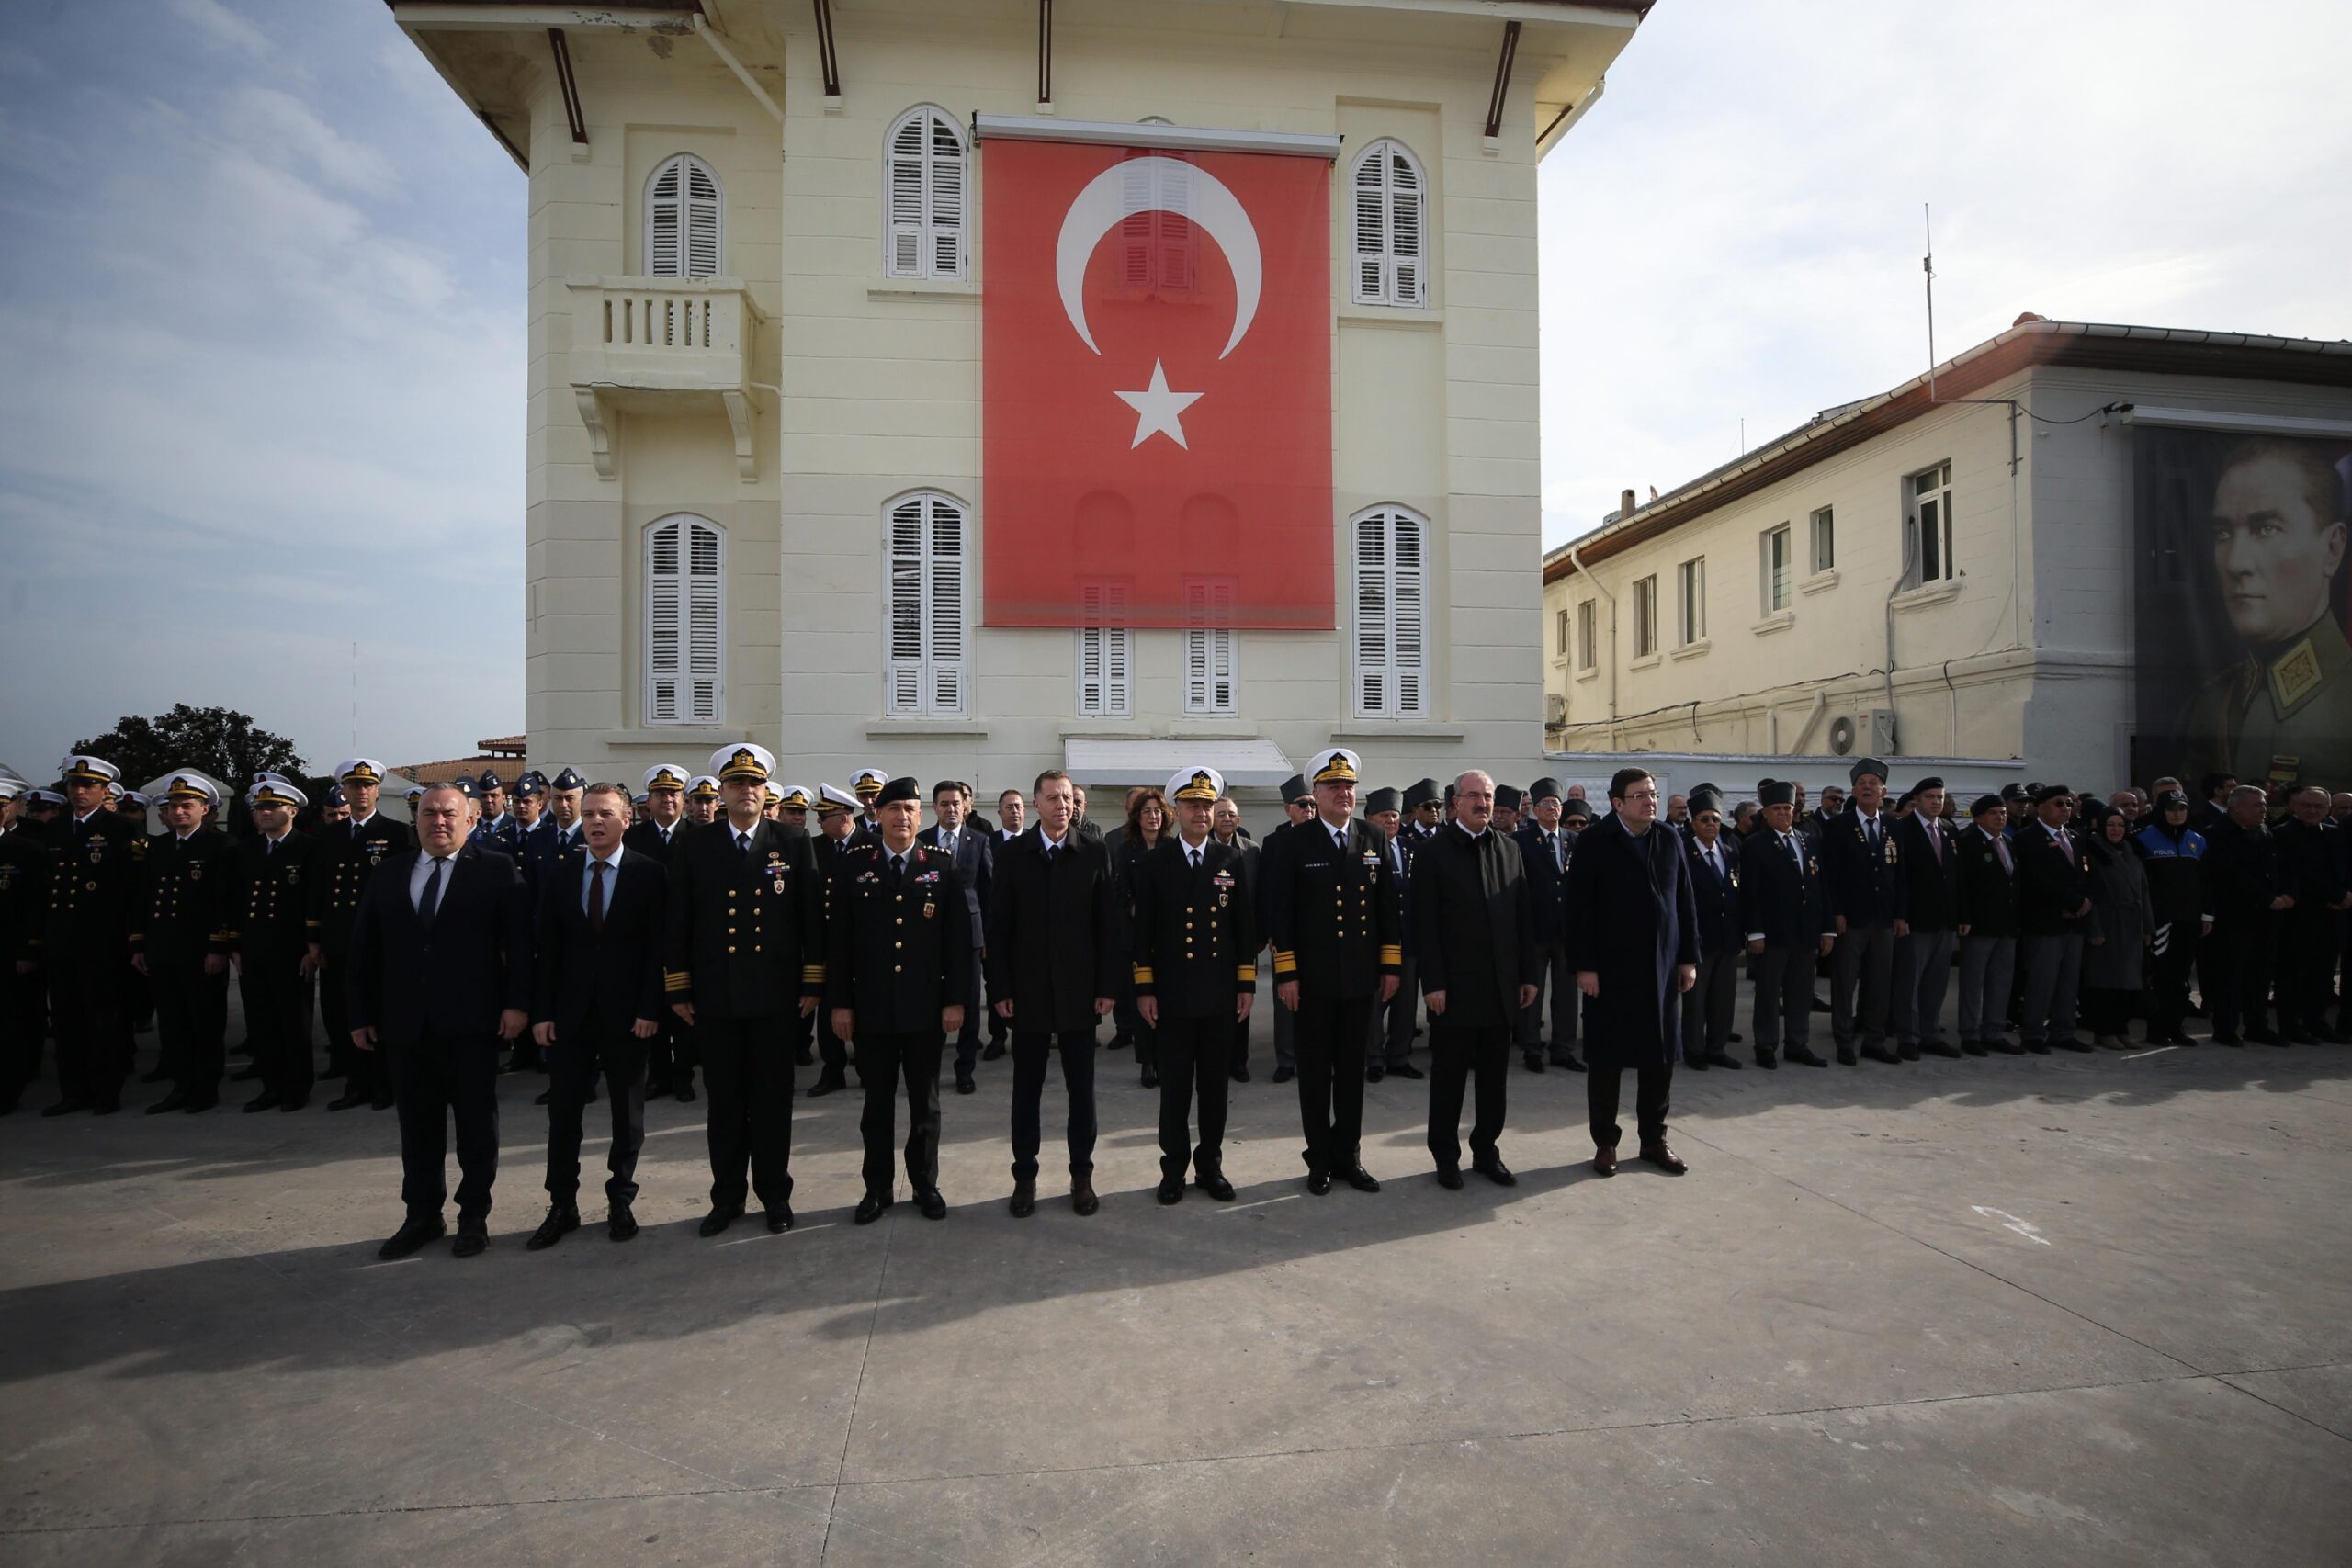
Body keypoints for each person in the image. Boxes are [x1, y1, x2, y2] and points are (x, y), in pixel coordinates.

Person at [347, 782, 532, 1259]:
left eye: (449, 813)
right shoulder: (389, 873)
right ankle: (422, 1215)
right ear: (416, 820)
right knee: (418, 1128)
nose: (439, 822)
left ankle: (474, 1216)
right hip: (405, 1024)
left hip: (472, 1022)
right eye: (428, 813)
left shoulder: (495, 869)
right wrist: (361, 1014)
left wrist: (517, 1004)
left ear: (471, 819)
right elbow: (365, 949)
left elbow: (522, 946)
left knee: (475, 1127)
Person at [665, 745, 823, 1236]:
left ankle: (775, 1195)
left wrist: (813, 981)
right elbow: (678, 919)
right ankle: (727, 1198)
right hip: (716, 997)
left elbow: (811, 919)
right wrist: (678, 987)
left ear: (765, 791)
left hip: (775, 997)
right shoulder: (695, 843)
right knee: (726, 1103)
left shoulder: (794, 841)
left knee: (774, 1102)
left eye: (754, 784)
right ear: (722, 792)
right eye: (736, 784)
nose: (746, 791)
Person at [524, 782, 667, 1250]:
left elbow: (655, 951)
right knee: (564, 1114)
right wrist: (542, 1013)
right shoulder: (561, 873)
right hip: (569, 1016)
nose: (595, 822)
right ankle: (561, 1203)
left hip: (628, 1016)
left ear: (628, 819)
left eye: (605, 813)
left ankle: (620, 1198)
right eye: (588, 815)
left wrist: (650, 1008)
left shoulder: (649, 874)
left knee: (628, 1114)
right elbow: (546, 951)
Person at [1265, 748, 1401, 1195]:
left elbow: (1387, 909)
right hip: (1313, 981)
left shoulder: (1373, 838)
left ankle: (1350, 1156)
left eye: (1349, 786)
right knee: (1316, 1072)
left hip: (1361, 979)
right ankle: (1319, 1157)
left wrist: (1390, 966)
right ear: (1316, 793)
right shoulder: (1291, 842)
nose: (1344, 793)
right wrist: (1287, 974)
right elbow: (1280, 914)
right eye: (1334, 786)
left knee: (1351, 1071)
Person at [2183, 440, 2352, 797]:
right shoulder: (2211, 705)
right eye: (2223, 533)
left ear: (2333, 547)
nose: (2235, 563)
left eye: (2267, 528)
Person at [986, 770, 1120, 1217]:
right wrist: (999, 988)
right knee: (1027, 1091)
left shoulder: (1094, 852)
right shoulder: (1011, 855)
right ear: (1036, 804)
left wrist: (1106, 987)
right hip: (1027, 996)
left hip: (1080, 994)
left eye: (1067, 798)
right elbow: (998, 928)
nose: (1062, 805)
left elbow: (1108, 927)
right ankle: (1025, 1178)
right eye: (1052, 798)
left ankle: (1082, 1176)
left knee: (1082, 1092)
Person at [1130, 767, 1255, 1203]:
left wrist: (1246, 986)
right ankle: (1173, 1170)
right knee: (1176, 1089)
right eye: (1192, 805)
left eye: (1207, 804)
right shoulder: (1153, 863)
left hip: (1219, 995)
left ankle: (1211, 1167)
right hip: (1172, 997)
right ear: (1175, 811)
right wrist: (1144, 989)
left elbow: (1243, 929)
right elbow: (1141, 932)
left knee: (1215, 1090)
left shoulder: (1231, 860)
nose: (1201, 812)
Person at [1566, 768, 1698, 1175]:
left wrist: (1688, 958)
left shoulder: (1669, 838)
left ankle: (1653, 1139)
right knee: (1607, 1060)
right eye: (1639, 795)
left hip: (1660, 969)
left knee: (1658, 1059)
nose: (1650, 801)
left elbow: (1685, 902)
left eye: (1653, 794)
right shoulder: (1594, 842)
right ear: (1618, 803)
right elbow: (1577, 911)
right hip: (1610, 971)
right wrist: (1585, 966)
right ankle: (1605, 1142)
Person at [1411, 770, 1537, 1188]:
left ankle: (1486, 1151)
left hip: (1501, 987)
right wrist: (1433, 984)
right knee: (1448, 1080)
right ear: (1455, 803)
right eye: (1474, 796)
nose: (1483, 803)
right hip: (1454, 989)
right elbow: (1424, 926)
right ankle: (1445, 1156)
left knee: (1493, 1080)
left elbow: (1523, 918)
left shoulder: (1510, 849)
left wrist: (1528, 975)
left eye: (1487, 796)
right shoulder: (1432, 853)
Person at [34, 756, 142, 1116]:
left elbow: (132, 892)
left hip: (103, 941)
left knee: (103, 1021)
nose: (79, 791)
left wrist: (133, 939)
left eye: (88, 786)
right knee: (66, 1021)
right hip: (61, 940)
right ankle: (72, 1092)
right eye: (73, 785)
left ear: (104, 790)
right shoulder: (54, 829)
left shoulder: (121, 829)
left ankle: (105, 1092)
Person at [133, 772, 237, 1113]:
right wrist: (140, 945)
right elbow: (143, 898)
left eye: (186, 806)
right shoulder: (158, 847)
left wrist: (217, 947)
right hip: (163, 949)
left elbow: (225, 902)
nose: (178, 812)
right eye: (173, 806)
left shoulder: (221, 846)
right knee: (173, 1024)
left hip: (200, 952)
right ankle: (180, 1086)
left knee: (204, 1022)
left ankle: (204, 1089)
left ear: (205, 809)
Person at [231, 777, 320, 1112]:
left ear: (292, 811)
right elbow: (235, 899)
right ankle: (271, 1086)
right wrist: (234, 944)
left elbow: (314, 900)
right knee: (261, 1022)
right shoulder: (245, 849)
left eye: (272, 807)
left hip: (292, 950)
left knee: (294, 1023)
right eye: (259, 808)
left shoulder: (309, 848)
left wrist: (312, 945)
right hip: (254, 948)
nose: (264, 813)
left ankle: (296, 1088)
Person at [625, 762, 700, 1101]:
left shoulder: (699, 837)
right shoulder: (633, 838)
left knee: (684, 1009)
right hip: (645, 935)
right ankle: (658, 1076)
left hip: (688, 936)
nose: (667, 799)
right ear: (648, 802)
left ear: (683, 800)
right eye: (660, 794)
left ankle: (683, 1077)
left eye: (673, 793)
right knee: (651, 1006)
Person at [1820, 758, 1902, 1066]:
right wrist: (1836, 912)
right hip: (1850, 919)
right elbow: (1830, 873)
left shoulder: (1894, 825)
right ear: (1853, 790)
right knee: (1844, 982)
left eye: (1873, 783)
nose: (1867, 787)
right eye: (1861, 783)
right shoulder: (1839, 826)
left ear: (1883, 791)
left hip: (1883, 918)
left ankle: (1874, 1040)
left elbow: (1901, 874)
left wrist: (1900, 914)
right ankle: (1844, 1040)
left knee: (1879, 982)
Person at [918, 778, 993, 1094]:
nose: (952, 809)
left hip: (970, 934)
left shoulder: (979, 840)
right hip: (929, 933)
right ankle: (928, 1071)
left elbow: (989, 892)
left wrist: (988, 936)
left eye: (957, 803)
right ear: (934, 808)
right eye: (945, 804)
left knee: (970, 1003)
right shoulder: (920, 841)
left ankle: (965, 1069)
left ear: (966, 807)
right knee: (929, 1004)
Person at [2014, 784, 2096, 1053]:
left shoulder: (2074, 837)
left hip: (2074, 923)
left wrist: (2083, 904)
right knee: (2042, 980)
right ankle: (2034, 1033)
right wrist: (2071, 903)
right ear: (2041, 807)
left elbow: (2083, 877)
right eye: (2059, 803)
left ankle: (2062, 1031)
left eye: (2069, 804)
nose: (2065, 809)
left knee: (2068, 981)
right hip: (2045, 922)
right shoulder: (2028, 838)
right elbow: (2038, 880)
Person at [1514, 777, 1584, 1075]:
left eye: (1556, 804)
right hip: (1535, 929)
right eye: (1546, 805)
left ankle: (1563, 1047)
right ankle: (1531, 1047)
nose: (1552, 809)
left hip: (1566, 930)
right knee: (1533, 990)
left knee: (1566, 994)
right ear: (1535, 810)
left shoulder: (1573, 839)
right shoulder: (1521, 841)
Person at [1891, 776, 1962, 1058]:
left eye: (1940, 797)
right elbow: (1900, 878)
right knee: (1910, 980)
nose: (1936, 802)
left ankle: (1930, 1034)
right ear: (1917, 799)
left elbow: (1957, 877)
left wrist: (1960, 915)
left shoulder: (1949, 829)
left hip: (1943, 920)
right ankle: (1907, 1037)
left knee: (1936, 981)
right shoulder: (1901, 830)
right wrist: (1900, 915)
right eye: (1930, 797)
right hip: (1914, 920)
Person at [2271, 785, 2349, 1042]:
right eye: (2306, 805)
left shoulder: (2335, 834)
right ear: (2295, 806)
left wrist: (2345, 895)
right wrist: (2338, 896)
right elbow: (2303, 874)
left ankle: (2316, 1022)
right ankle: (2290, 1026)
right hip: (2298, 917)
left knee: (2323, 974)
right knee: (2293, 975)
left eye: (2318, 806)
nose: (2312, 810)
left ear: (2328, 809)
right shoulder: (2283, 835)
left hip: (2331, 917)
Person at [2131, 790, 2208, 1047]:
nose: (2177, 813)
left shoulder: (2197, 840)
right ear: (2160, 811)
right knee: (2160, 977)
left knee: (2181, 977)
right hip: (2160, 921)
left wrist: (2207, 914)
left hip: (2189, 920)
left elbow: (2207, 882)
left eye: (2182, 808)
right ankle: (2157, 1030)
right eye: (2172, 808)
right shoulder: (2142, 839)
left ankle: (2176, 1028)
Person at [1678, 789, 1744, 1071]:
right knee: (1696, 999)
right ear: (1693, 823)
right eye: (1704, 819)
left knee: (1724, 997)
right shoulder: (1682, 853)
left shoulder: (1729, 852)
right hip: (1698, 938)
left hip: (1726, 937)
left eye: (1715, 819)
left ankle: (1717, 1047)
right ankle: (1694, 1049)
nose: (1710, 824)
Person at [2079, 802, 2154, 1049]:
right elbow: (2090, 893)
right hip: (2108, 925)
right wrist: (2095, 929)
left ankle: (2121, 1028)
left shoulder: (2131, 852)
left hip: (2132, 926)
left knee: (2129, 983)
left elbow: (2143, 891)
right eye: (2110, 825)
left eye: (2121, 825)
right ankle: (2104, 1030)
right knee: (2105, 983)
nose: (2116, 830)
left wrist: (2147, 927)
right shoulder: (2094, 851)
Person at [808, 784, 865, 1097]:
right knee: (829, 1008)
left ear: (843, 818)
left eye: (823, 817)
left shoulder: (871, 845)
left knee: (867, 1008)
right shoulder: (814, 848)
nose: (818, 822)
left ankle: (868, 1066)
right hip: (828, 945)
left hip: (865, 945)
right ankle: (833, 1070)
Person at [1261, 773, 1317, 1085]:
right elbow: (1268, 891)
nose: (1309, 810)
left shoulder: (1325, 837)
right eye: (1303, 804)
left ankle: (1312, 1055)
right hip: (1286, 934)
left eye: (1312, 804)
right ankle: (1286, 1058)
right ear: (1288, 809)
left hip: (1317, 936)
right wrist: (1271, 932)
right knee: (1285, 1000)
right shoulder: (1275, 842)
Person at [1953, 795, 2020, 1055]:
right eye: (1993, 813)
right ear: (1979, 817)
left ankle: (1993, 1031)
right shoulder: (1967, 842)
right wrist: (1964, 917)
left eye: (2002, 812)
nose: (2000, 817)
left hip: (2006, 925)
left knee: (2001, 981)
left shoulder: (2008, 842)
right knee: (1973, 982)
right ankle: (1969, 1034)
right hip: (1979, 926)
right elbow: (1963, 885)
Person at [1114, 786, 1170, 1086]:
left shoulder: (1172, 846)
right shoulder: (1126, 850)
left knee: (1166, 999)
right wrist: (1139, 910)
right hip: (1136, 936)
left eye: (1157, 811)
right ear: (1137, 817)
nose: (1152, 817)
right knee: (1142, 999)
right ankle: (1146, 1061)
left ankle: (1165, 1057)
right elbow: (1120, 891)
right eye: (1146, 812)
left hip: (1167, 937)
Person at [0, 779, 49, 1115]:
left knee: (8, 1026)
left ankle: (7, 1091)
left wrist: (28, 950)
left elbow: (36, 906)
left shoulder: (25, 851)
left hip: (8, 952)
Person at [1361, 785, 1415, 1084]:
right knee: (1375, 1004)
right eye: (1384, 816)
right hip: (1375, 941)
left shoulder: (1411, 849)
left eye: (1395, 815)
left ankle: (1400, 1056)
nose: (1391, 821)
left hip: (1408, 939)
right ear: (1369, 818)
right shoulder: (1361, 849)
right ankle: (1375, 1058)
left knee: (1406, 1004)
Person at [1210, 795, 1261, 1083]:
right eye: (1222, 814)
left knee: (1243, 999)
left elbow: (1261, 894)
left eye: (1232, 814)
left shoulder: (1251, 850)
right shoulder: (1205, 849)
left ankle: (1239, 1061)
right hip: (1214, 938)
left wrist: (1260, 934)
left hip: (1245, 939)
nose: (1227, 819)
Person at [469, 771, 520, 852]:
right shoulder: (470, 827)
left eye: (494, 796)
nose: (489, 800)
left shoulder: (516, 827)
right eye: (484, 796)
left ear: (504, 798)